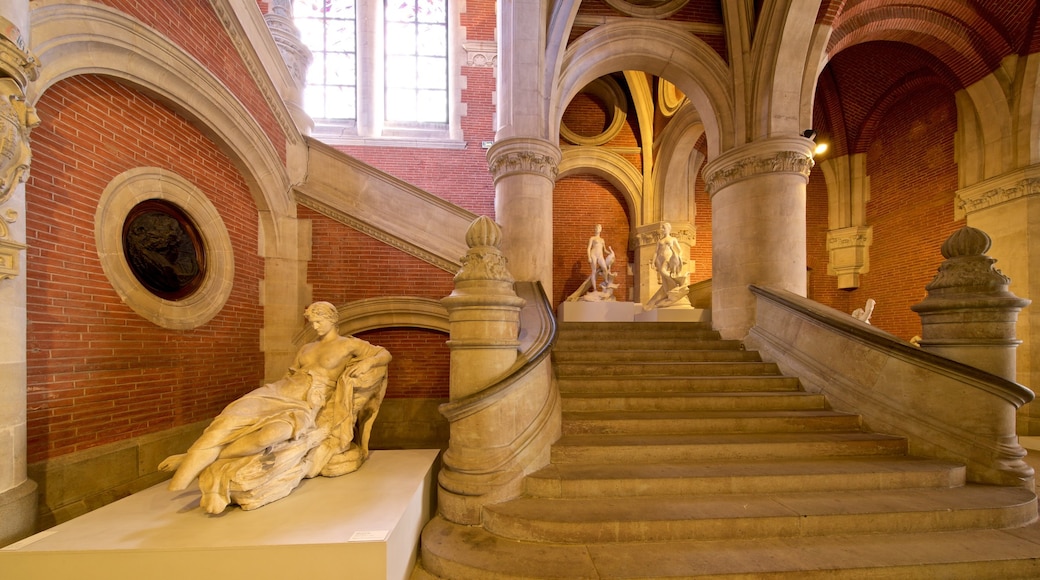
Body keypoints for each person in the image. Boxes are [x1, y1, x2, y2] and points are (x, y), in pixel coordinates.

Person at [159, 301, 391, 513]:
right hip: (278, 391)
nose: (316, 326)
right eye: (313, 322)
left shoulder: (348, 345)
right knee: (228, 418)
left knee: (268, 436)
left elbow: (384, 354)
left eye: (320, 321)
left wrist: (370, 362)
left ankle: (200, 458)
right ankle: (195, 460)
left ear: (332, 319)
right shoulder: (306, 349)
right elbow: (289, 374)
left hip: (306, 403)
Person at [587, 224, 613, 292]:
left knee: (605, 268)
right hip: (593, 254)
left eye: (600, 227)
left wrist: (610, 252)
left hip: (600, 255)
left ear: (601, 229)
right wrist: (589, 257)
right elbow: (589, 248)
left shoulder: (602, 240)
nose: (598, 228)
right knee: (594, 271)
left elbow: (604, 250)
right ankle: (595, 289)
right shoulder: (592, 238)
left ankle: (606, 280)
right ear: (595, 229)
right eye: (597, 227)